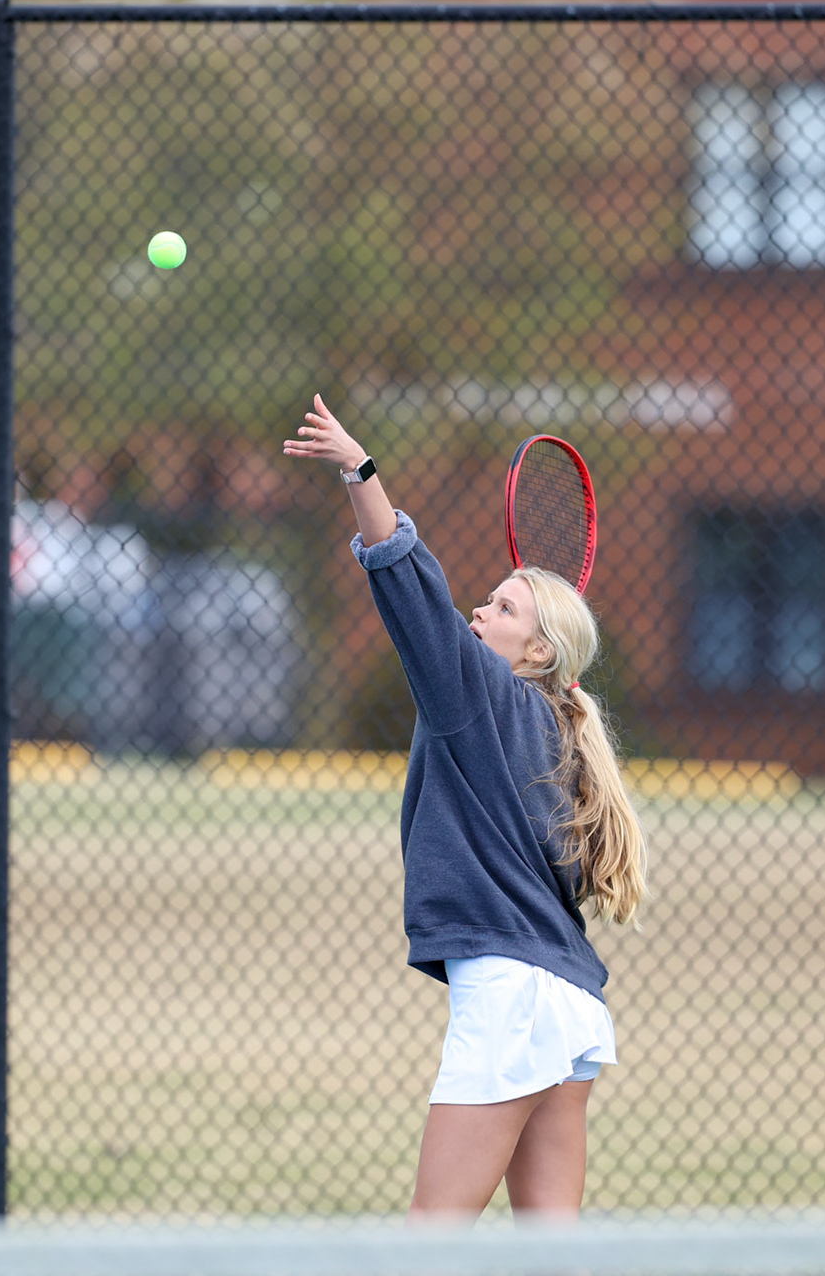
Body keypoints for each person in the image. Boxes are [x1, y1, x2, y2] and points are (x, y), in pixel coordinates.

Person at [283, 393, 647, 1221]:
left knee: (427, 1243)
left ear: (541, 651)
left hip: (516, 1000)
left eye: (504, 608)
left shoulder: (479, 694)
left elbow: (408, 582)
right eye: (487, 601)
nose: (480, 612)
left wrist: (359, 471)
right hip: (570, 1005)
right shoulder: (564, 731)